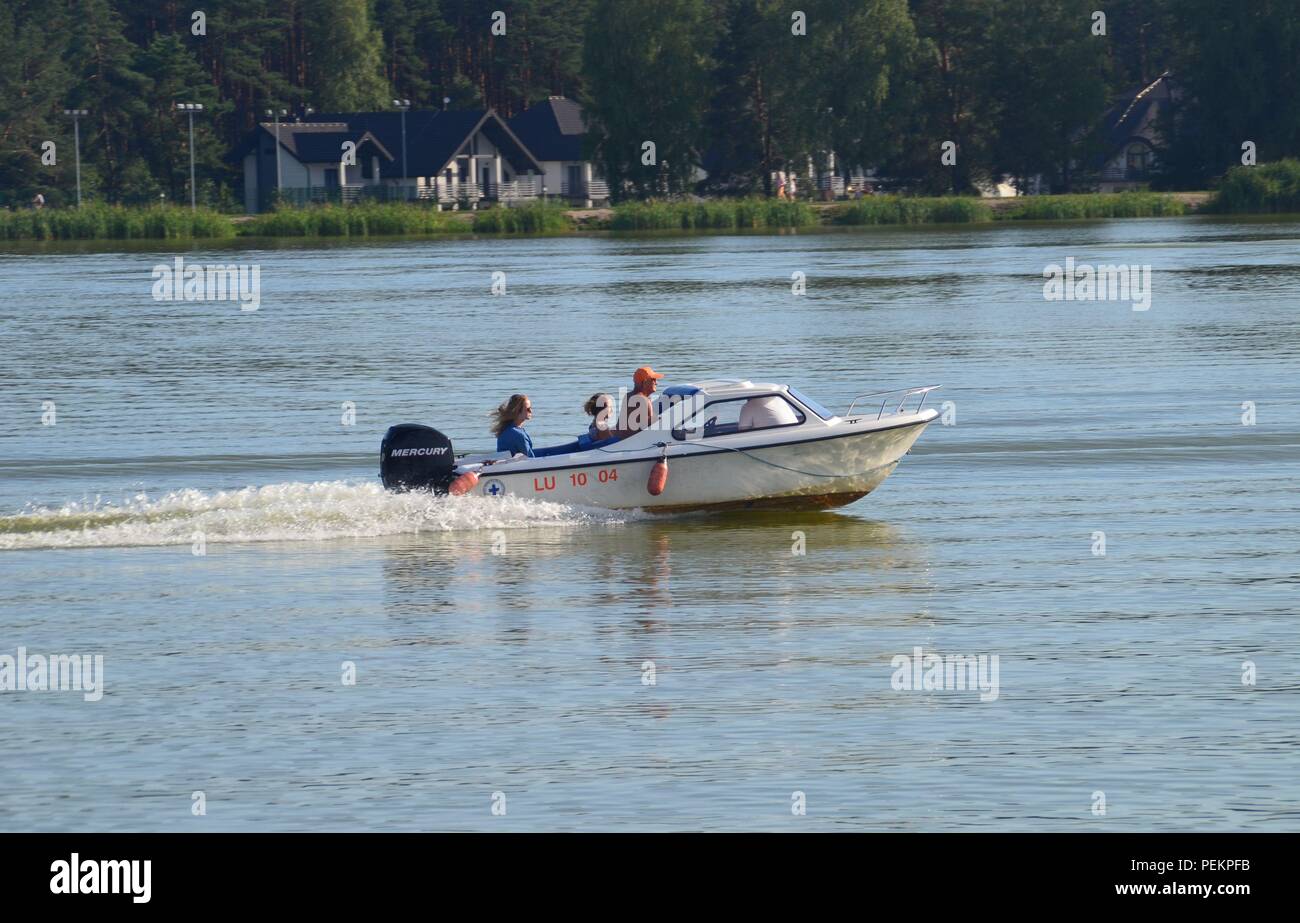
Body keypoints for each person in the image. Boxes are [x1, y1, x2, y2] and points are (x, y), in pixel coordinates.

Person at [614, 366, 663, 437]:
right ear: (645, 381)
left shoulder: (628, 396)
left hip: (619, 439)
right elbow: (650, 426)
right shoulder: (643, 400)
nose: (656, 383)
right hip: (630, 443)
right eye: (654, 380)